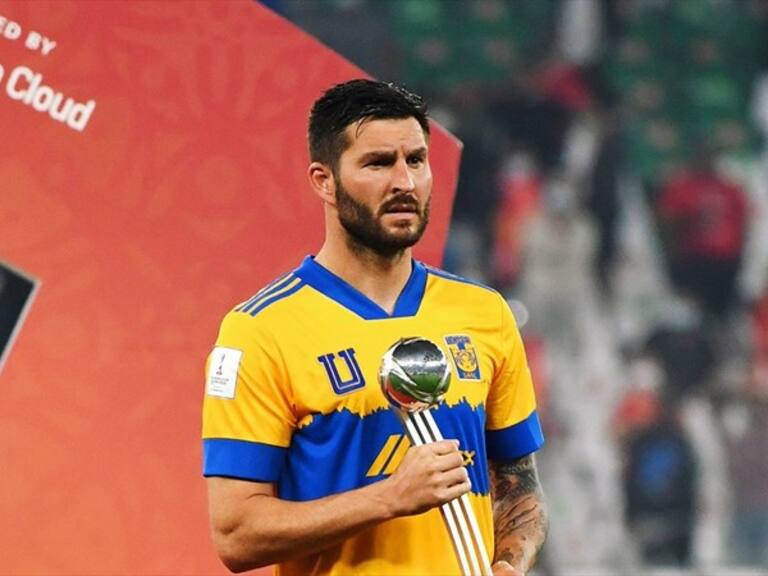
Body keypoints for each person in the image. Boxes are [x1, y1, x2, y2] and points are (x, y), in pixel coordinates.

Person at [202, 79, 548, 575]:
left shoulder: (485, 313)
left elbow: (519, 482)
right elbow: (235, 534)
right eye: (378, 163)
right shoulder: (259, 331)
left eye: (417, 160)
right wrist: (389, 498)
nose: (405, 182)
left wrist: (510, 563)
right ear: (324, 180)